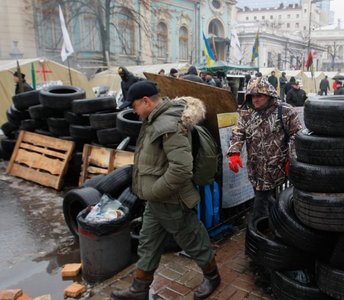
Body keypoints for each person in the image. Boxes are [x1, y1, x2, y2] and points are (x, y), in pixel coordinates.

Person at [111, 81, 220, 300]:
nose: (132, 110)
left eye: (133, 105)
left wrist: (153, 191)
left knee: (193, 240)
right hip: (157, 201)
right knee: (148, 242)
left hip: (172, 201)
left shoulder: (168, 124)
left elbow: (181, 169)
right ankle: (139, 289)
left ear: (146, 101)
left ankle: (213, 277)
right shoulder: (155, 119)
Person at [227, 77, 302, 220]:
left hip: (277, 167)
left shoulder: (285, 111)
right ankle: (271, 223)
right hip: (255, 168)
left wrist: (291, 160)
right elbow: (238, 132)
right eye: (252, 96)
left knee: (264, 202)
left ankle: (263, 228)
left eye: (259, 95)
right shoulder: (246, 113)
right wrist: (234, 153)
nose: (255, 99)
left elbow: (296, 135)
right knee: (264, 197)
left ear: (268, 94)